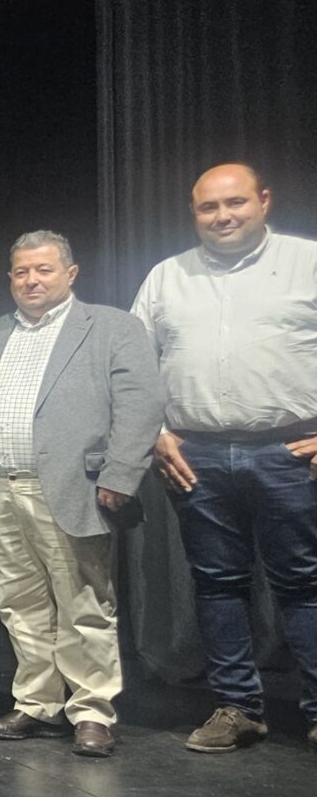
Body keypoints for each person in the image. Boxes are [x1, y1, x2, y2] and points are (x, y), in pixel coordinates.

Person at [132, 163, 317, 754]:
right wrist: (154, 431)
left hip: (288, 451)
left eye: (234, 202)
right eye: (208, 208)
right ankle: (238, 708)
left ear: (264, 200)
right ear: (194, 214)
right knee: (216, 584)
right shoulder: (166, 277)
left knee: (304, 585)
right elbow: (133, 366)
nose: (222, 216)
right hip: (196, 455)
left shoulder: (306, 263)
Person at [0, 231, 162, 758]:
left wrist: (121, 473)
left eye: (43, 270)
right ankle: (37, 703)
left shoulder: (111, 327)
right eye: (21, 272)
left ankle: (92, 711)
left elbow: (141, 404)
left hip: (72, 488)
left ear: (70, 274)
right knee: (20, 605)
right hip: (2, 488)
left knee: (84, 604)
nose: (31, 280)